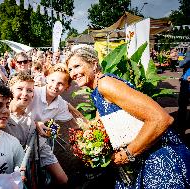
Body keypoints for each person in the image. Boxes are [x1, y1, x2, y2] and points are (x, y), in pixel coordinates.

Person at [66, 46, 190, 188]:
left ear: (94, 64)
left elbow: (161, 119)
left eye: (77, 66)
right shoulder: (96, 91)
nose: (73, 73)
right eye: (70, 69)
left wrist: (127, 154)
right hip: (141, 159)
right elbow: (99, 125)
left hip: (158, 158)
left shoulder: (106, 84)